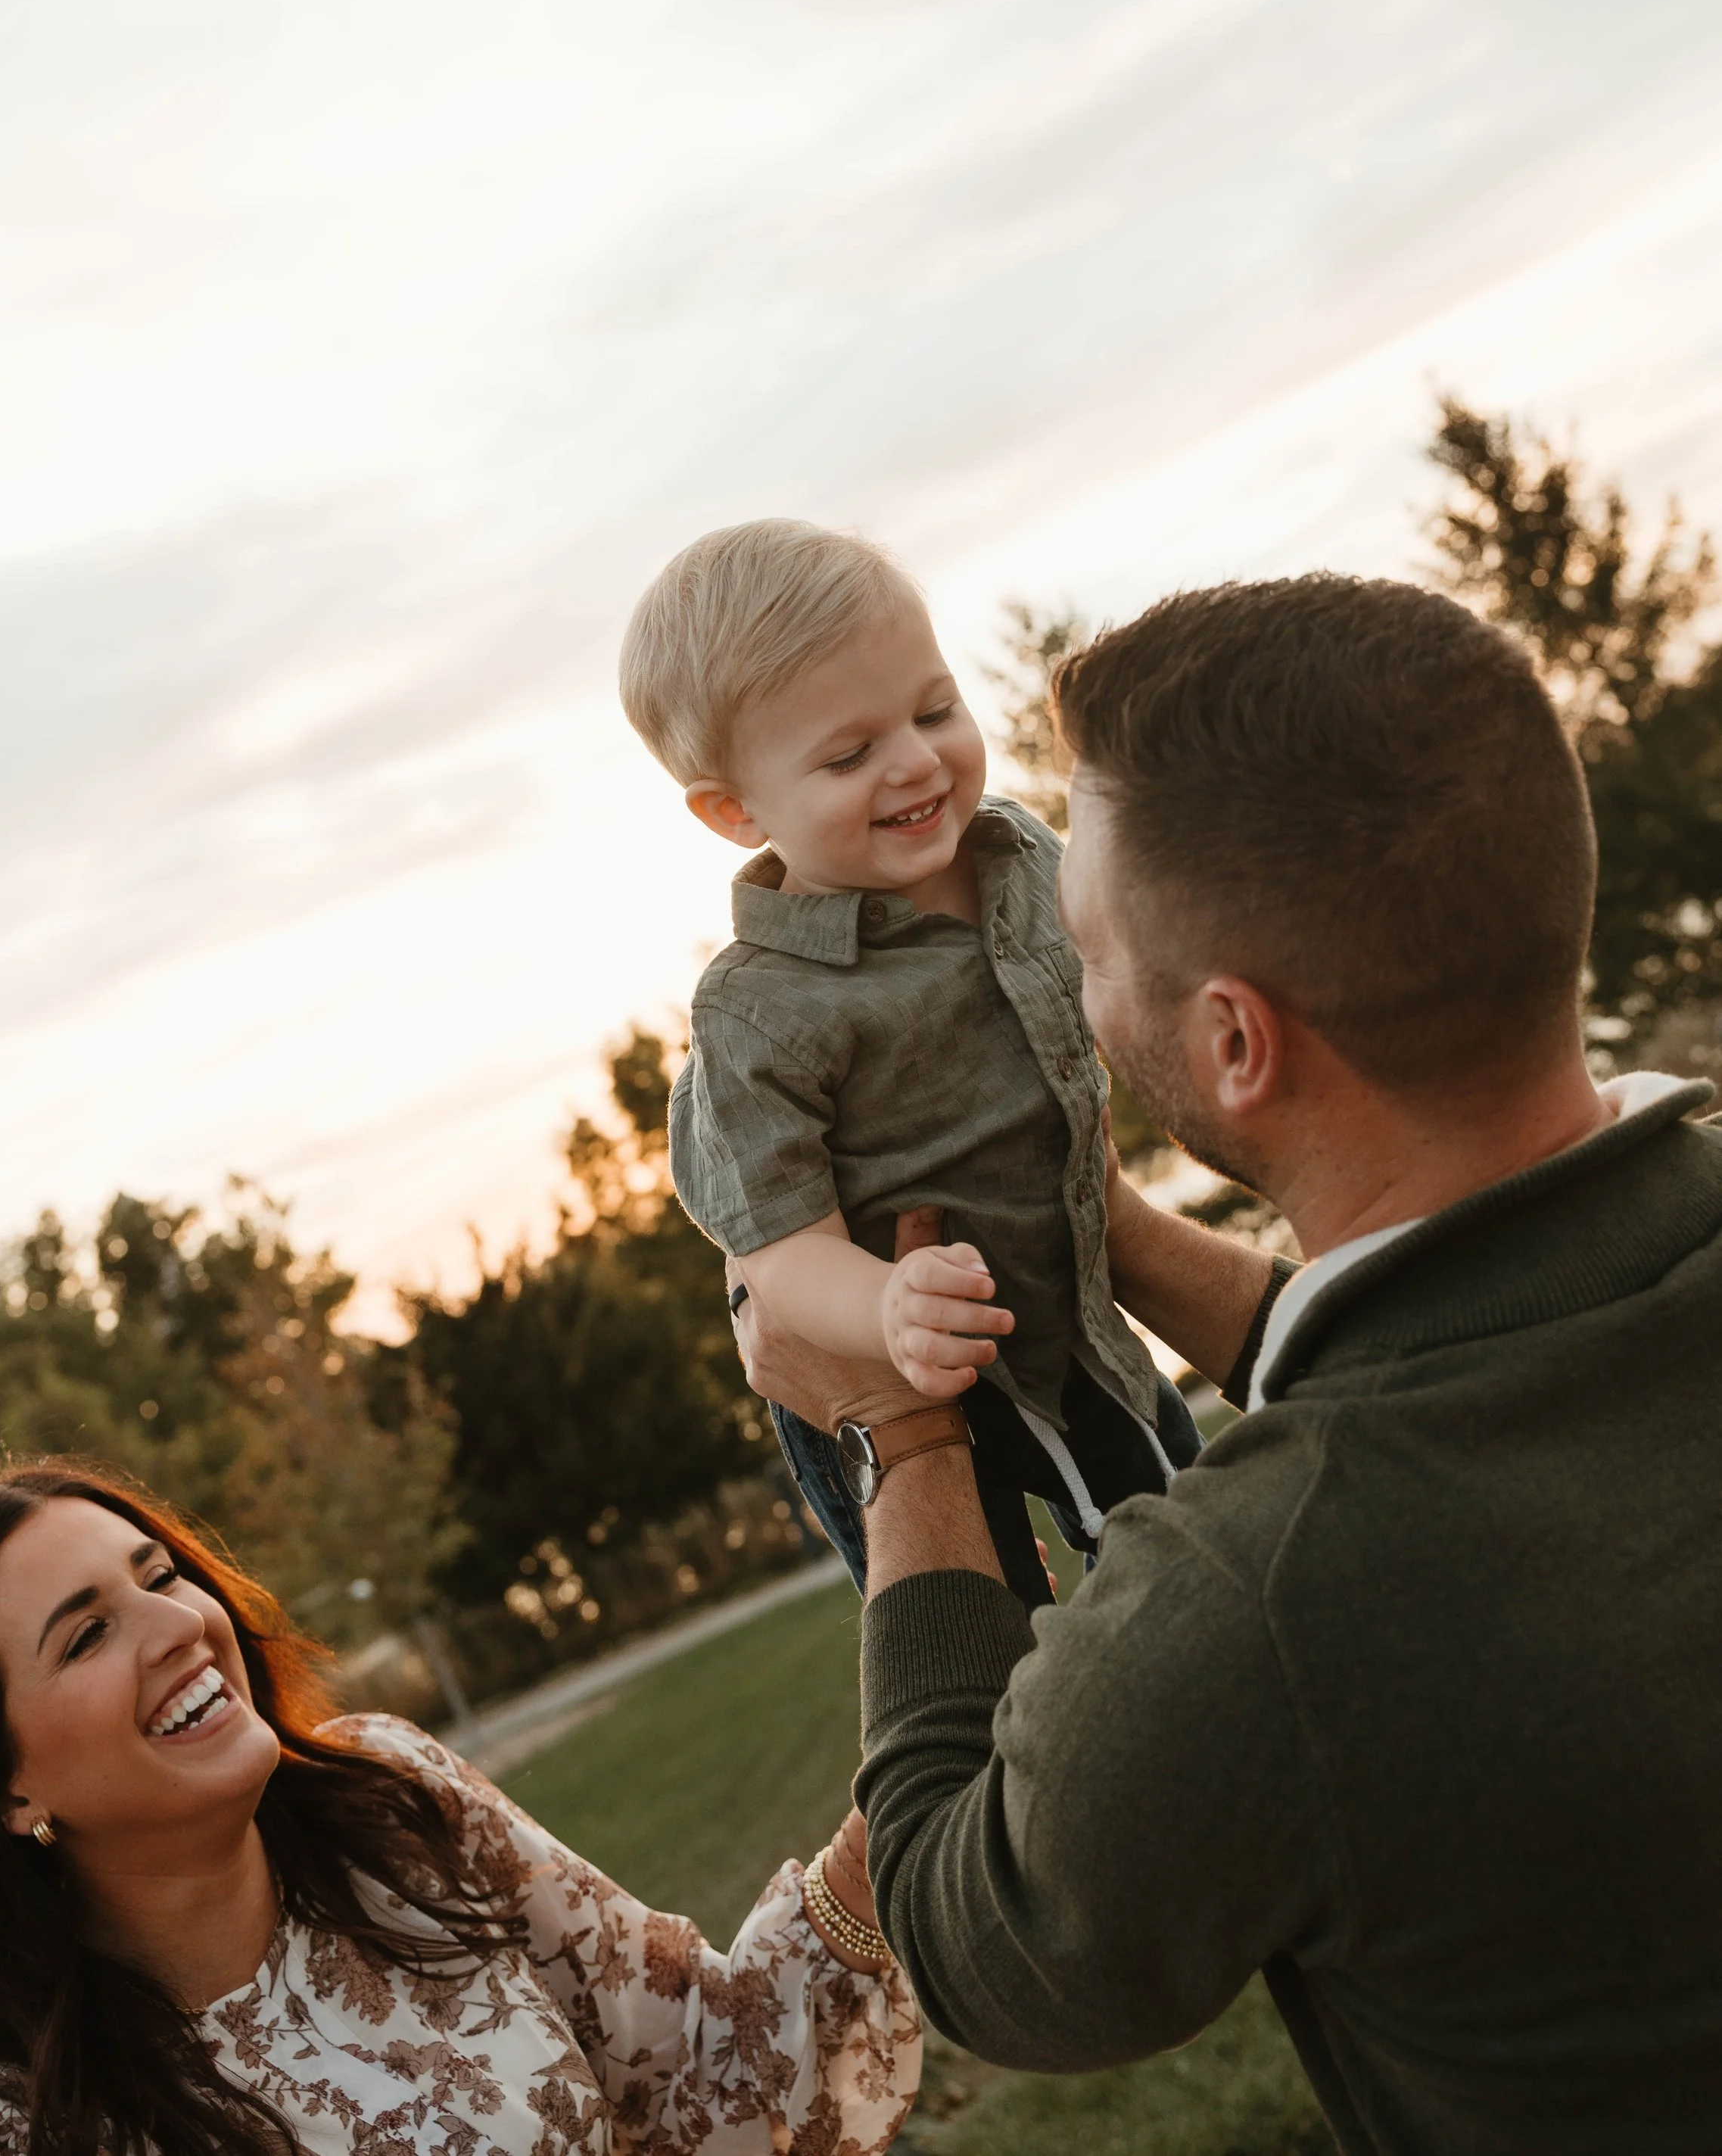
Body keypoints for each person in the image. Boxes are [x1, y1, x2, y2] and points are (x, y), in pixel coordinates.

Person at [728, 572, 1722, 2156]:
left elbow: (970, 1927)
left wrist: (900, 1443)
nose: (1056, 948)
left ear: (1233, 1043)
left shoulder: (1256, 1601)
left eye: (1089, 940)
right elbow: (1462, 1338)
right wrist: (1092, 1227)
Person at [0, 1462, 920, 2156]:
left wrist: (881, 1843)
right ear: (5, 1788)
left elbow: (696, 2072)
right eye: (86, 1635)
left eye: (162, 1573)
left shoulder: (395, 1809)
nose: (181, 1624)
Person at [619, 518, 1199, 1612]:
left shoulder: (1019, 856)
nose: (917, 759)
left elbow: (1129, 968)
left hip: (1065, 1313)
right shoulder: (759, 1009)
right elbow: (781, 1264)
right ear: (734, 808)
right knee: (978, 1639)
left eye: (935, 709)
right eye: (849, 755)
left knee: (1189, 1537)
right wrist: (888, 1307)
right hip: (889, 1359)